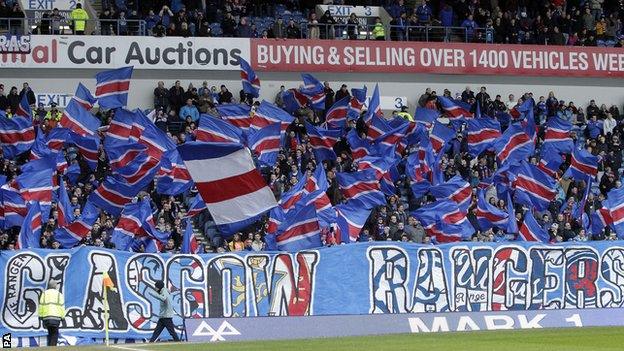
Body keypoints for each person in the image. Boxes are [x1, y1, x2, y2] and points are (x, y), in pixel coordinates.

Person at [39, 281, 65, 347]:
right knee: (55, 333)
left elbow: (41, 305)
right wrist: (63, 317)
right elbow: (62, 306)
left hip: (46, 317)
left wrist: (40, 316)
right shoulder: (59, 294)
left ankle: (50, 347)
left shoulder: (44, 294)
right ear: (55, 286)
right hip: (56, 317)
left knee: (50, 332)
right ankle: (52, 347)